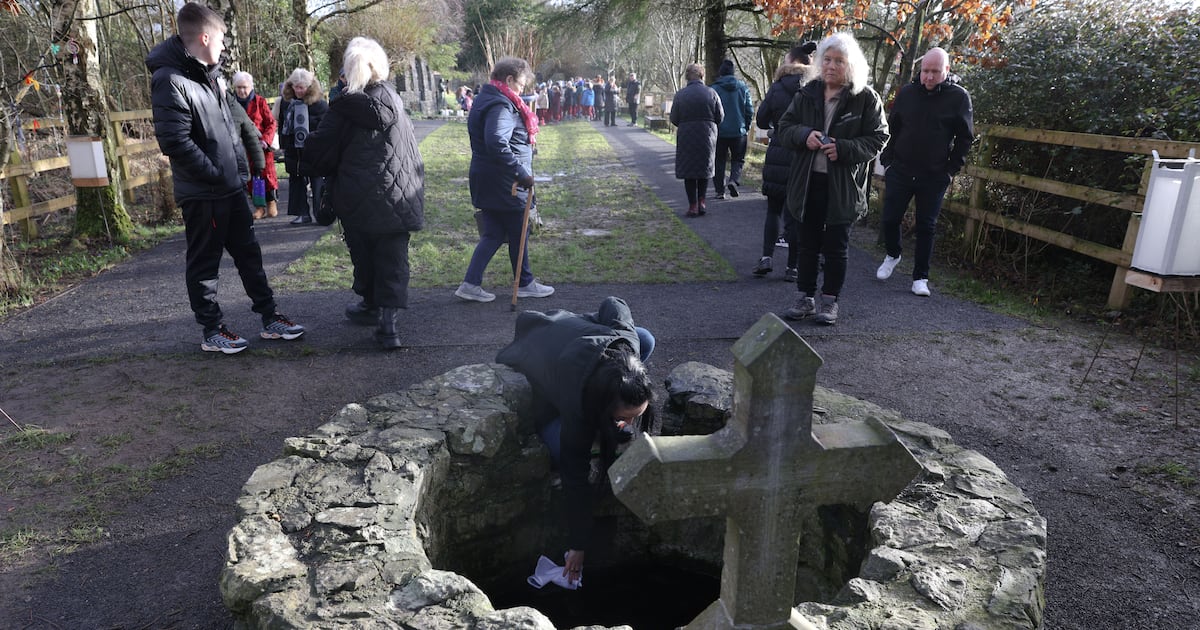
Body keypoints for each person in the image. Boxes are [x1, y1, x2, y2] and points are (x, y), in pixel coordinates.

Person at [146, 2, 305, 354]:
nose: (223, 47)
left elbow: (232, 130)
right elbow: (175, 142)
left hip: (230, 189)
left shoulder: (212, 77)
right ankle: (212, 330)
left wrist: (243, 172)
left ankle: (270, 317)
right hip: (203, 194)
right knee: (205, 265)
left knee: (250, 256)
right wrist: (216, 174)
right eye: (220, 40)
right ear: (204, 37)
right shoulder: (169, 80)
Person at [495, 296, 656, 586]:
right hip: (541, 348)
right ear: (600, 405)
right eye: (625, 417)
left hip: (579, 337)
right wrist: (578, 544)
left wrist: (596, 326)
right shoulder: (576, 401)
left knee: (645, 338)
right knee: (559, 449)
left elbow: (613, 303)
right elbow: (575, 477)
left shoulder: (625, 343)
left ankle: (599, 353)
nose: (630, 425)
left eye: (636, 415)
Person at [300, 37, 425, 350]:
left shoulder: (344, 106)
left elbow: (321, 147)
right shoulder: (394, 99)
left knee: (364, 251)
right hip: (399, 194)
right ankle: (388, 325)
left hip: (357, 194)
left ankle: (371, 305)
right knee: (393, 258)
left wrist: (304, 159)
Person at [775, 32, 889, 325]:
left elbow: (879, 137)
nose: (831, 66)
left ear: (851, 65)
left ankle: (830, 301)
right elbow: (784, 128)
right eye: (827, 59)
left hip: (843, 186)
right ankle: (805, 298)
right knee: (807, 243)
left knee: (836, 246)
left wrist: (845, 148)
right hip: (808, 181)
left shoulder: (865, 98)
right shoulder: (806, 92)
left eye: (839, 61)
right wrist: (804, 136)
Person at [454, 56, 555, 303]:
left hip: (490, 178)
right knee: (519, 231)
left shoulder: (489, 98)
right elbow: (497, 142)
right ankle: (525, 283)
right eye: (520, 84)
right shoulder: (500, 104)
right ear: (509, 79)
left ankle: (471, 283)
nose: (522, 90)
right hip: (504, 182)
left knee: (495, 233)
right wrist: (520, 172)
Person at [876, 47, 974, 297]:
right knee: (889, 218)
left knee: (926, 226)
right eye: (925, 71)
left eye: (935, 72)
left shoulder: (959, 98)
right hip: (900, 168)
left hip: (934, 174)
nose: (929, 77)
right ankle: (893, 253)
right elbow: (893, 128)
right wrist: (888, 161)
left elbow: (965, 138)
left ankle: (920, 277)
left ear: (947, 70)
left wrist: (950, 170)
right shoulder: (907, 93)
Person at [753, 42, 816, 280]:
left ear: (789, 62)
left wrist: (775, 126)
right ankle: (793, 266)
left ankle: (767, 257)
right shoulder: (815, 88)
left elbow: (760, 119)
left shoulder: (777, 86)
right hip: (804, 154)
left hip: (779, 150)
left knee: (773, 209)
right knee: (796, 213)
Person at [670, 63, 723, 218]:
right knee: (704, 169)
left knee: (689, 171)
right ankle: (702, 202)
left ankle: (692, 205)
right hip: (707, 135)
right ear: (702, 75)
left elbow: (674, 118)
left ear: (687, 76)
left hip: (687, 135)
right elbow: (720, 116)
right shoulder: (711, 93)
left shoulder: (680, 95)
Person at [278, 67, 328, 225]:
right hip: (293, 150)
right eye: (295, 86)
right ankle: (302, 213)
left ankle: (321, 214)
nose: (298, 90)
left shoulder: (320, 105)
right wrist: (283, 145)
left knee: (317, 182)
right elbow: (282, 125)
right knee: (296, 180)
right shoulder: (286, 103)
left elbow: (326, 128)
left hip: (313, 150)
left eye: (302, 87)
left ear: (309, 87)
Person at [231, 71, 280, 220]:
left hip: (262, 147)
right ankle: (259, 207)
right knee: (251, 178)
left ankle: (271, 202)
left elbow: (271, 123)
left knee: (267, 177)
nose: (242, 91)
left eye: (244, 87)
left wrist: (265, 140)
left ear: (251, 87)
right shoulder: (232, 104)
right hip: (243, 148)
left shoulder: (260, 102)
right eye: (238, 87)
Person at [711, 59, 754, 200]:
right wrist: (746, 126)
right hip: (738, 131)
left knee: (719, 160)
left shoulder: (714, 89)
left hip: (720, 131)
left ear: (720, 73)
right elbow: (749, 110)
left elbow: (712, 111)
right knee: (738, 159)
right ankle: (733, 180)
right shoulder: (743, 87)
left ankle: (719, 191)